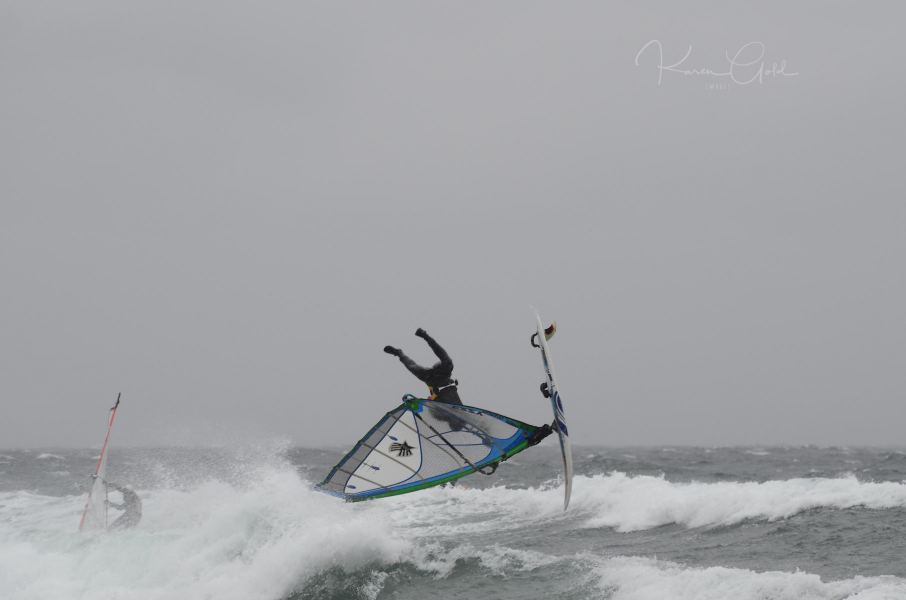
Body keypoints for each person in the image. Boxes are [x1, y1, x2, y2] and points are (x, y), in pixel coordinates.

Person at [384, 328, 462, 405]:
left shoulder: (434, 375)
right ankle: (400, 353)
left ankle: (399, 353)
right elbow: (440, 352)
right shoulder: (445, 369)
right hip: (438, 378)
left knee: (413, 367)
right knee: (414, 367)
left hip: (433, 380)